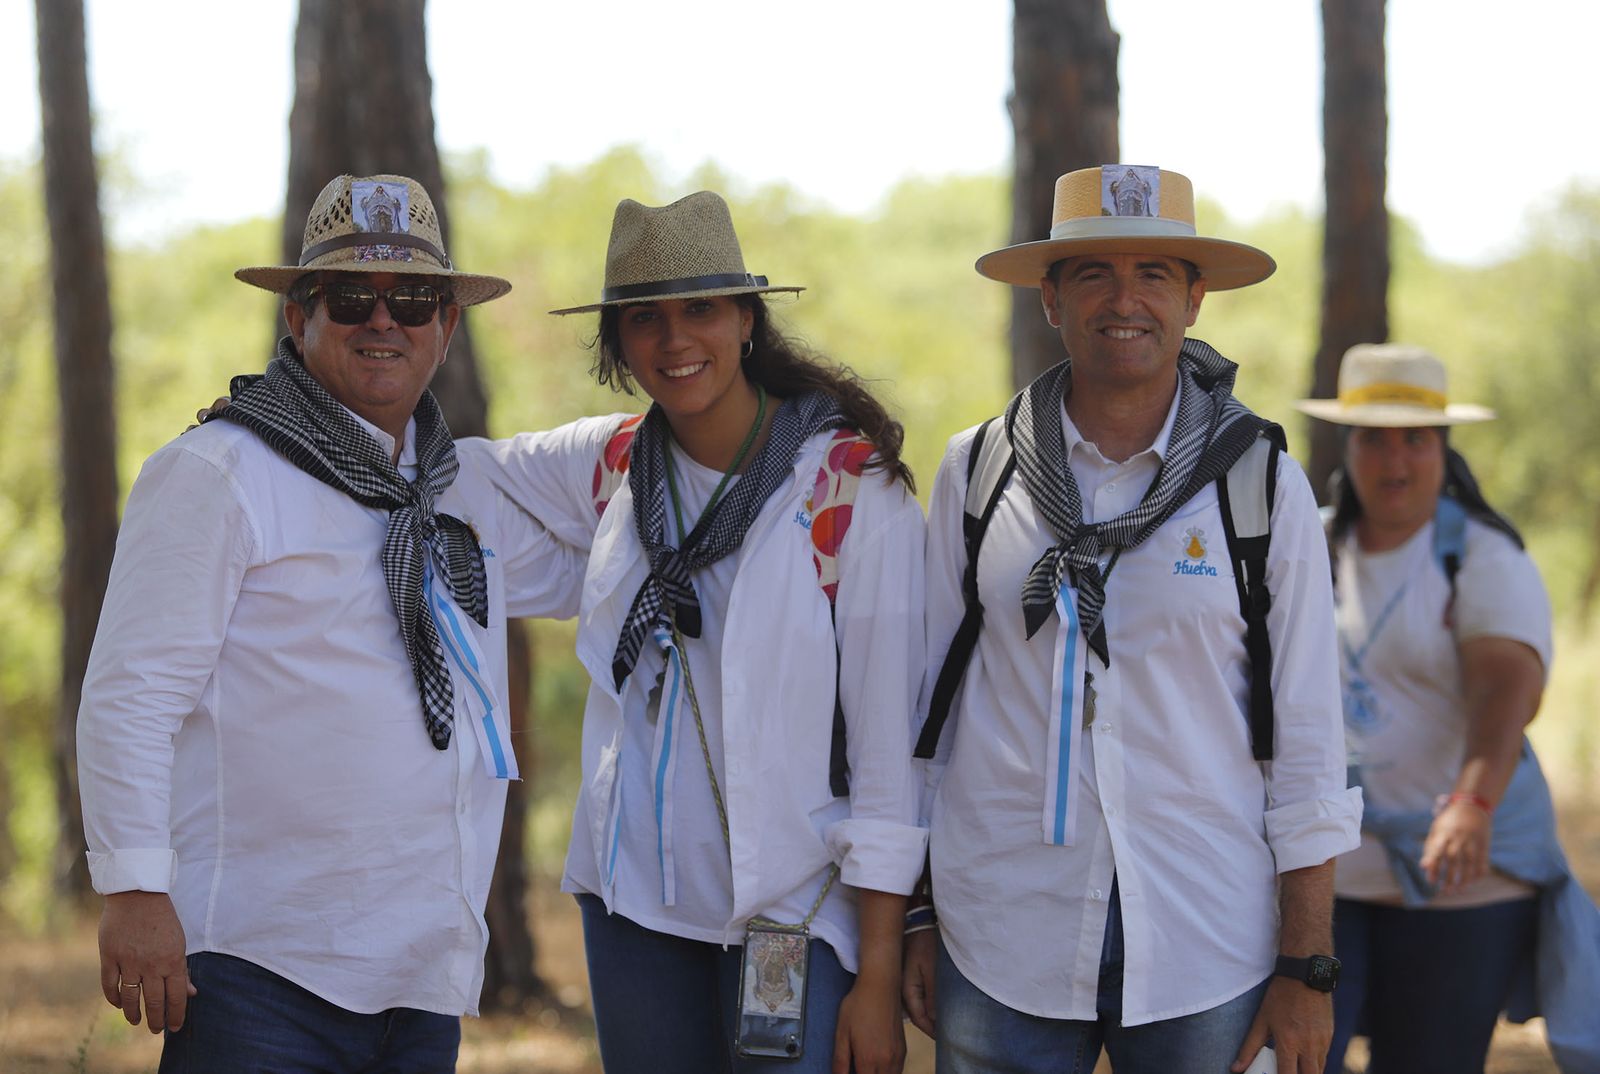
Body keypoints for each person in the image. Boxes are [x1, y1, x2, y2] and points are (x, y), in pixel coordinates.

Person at [76, 173, 582, 1071]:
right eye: (351, 297)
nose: (383, 321)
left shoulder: (453, 492)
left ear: (447, 326)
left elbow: (621, 541)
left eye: (415, 298)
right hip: (260, 967)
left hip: (416, 978)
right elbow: (131, 695)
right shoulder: (219, 471)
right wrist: (134, 888)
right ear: (298, 315)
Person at [903, 164, 1362, 1074]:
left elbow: (1309, 742)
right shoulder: (977, 472)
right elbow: (924, 714)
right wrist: (913, 915)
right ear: (1049, 299)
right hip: (1000, 928)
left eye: (1154, 272)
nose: (1125, 300)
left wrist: (1306, 967)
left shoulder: (1260, 482)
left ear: (1194, 301)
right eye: (1092, 273)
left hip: (1207, 937)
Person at [464, 190, 928, 1074]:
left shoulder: (845, 489)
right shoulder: (615, 463)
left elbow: (888, 750)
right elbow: (456, 476)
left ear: (747, 321)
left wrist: (877, 971)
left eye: (701, 310)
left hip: (795, 904)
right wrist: (285, 423)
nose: (675, 341)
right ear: (619, 342)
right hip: (634, 902)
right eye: (644, 319)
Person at [1297, 343, 1600, 1073]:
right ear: (1349, 445)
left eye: (1415, 439)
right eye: (1374, 437)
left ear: (1442, 448)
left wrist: (1471, 798)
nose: (1393, 459)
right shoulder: (1306, 542)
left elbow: (1507, 689)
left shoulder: (1483, 558)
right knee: (1302, 1055)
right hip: (1328, 875)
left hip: (1462, 881)